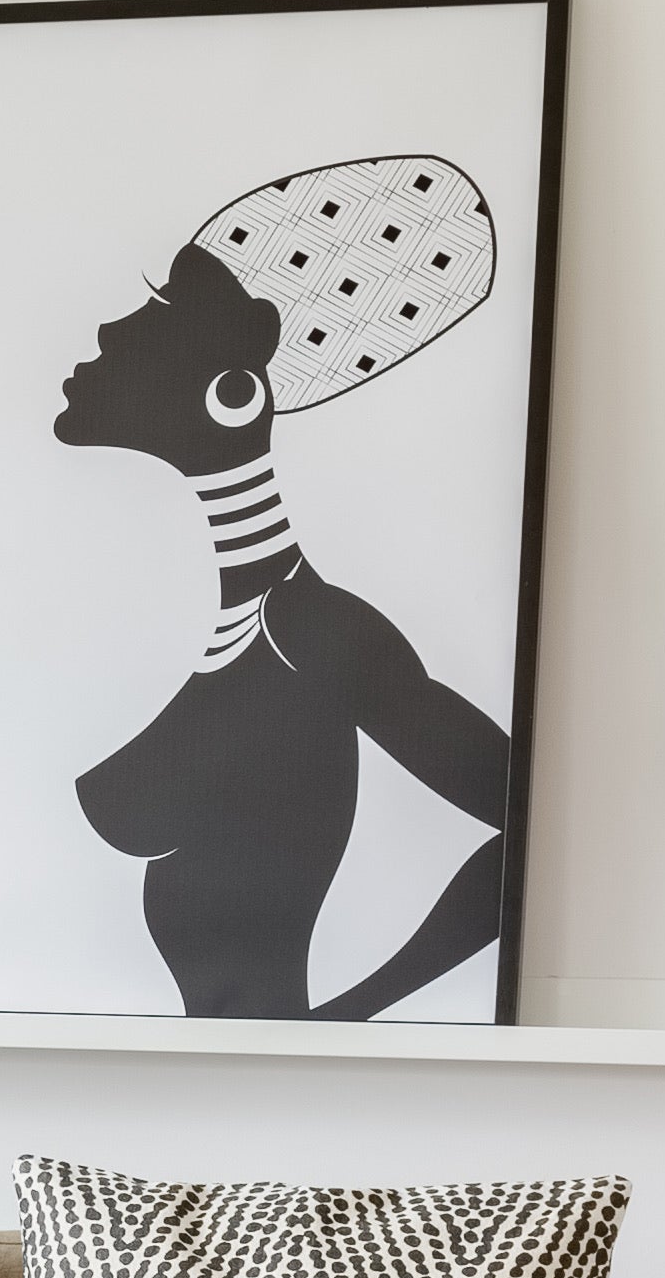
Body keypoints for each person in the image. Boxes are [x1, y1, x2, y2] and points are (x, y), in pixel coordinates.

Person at [51, 156, 515, 1021]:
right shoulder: (239, 619)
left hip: (268, 1096)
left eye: (155, 317)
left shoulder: (310, 627)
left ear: (231, 397)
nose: (110, 331)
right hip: (206, 1094)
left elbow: (520, 825)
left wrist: (346, 1019)